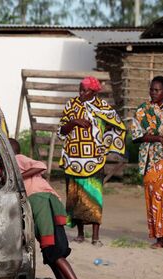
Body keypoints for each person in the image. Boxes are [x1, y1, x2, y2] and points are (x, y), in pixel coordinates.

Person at [10, 138, 93, 279]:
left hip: (41, 202)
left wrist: (18, 176)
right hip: (41, 204)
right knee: (50, 255)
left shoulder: (17, 159)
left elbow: (40, 166)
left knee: (55, 252)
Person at [58, 76, 126, 246]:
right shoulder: (71, 105)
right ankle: (80, 234)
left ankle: (95, 237)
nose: (81, 93)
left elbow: (119, 126)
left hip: (94, 160)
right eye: (80, 89)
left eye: (85, 90)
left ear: (94, 91)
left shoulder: (103, 107)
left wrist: (106, 144)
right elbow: (61, 132)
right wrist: (74, 122)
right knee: (75, 198)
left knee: (94, 197)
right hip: (73, 160)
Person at [130, 76, 163, 249]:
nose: (153, 93)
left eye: (157, 90)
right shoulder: (142, 110)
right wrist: (157, 138)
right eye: (151, 89)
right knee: (154, 200)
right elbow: (136, 136)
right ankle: (159, 239)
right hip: (150, 161)